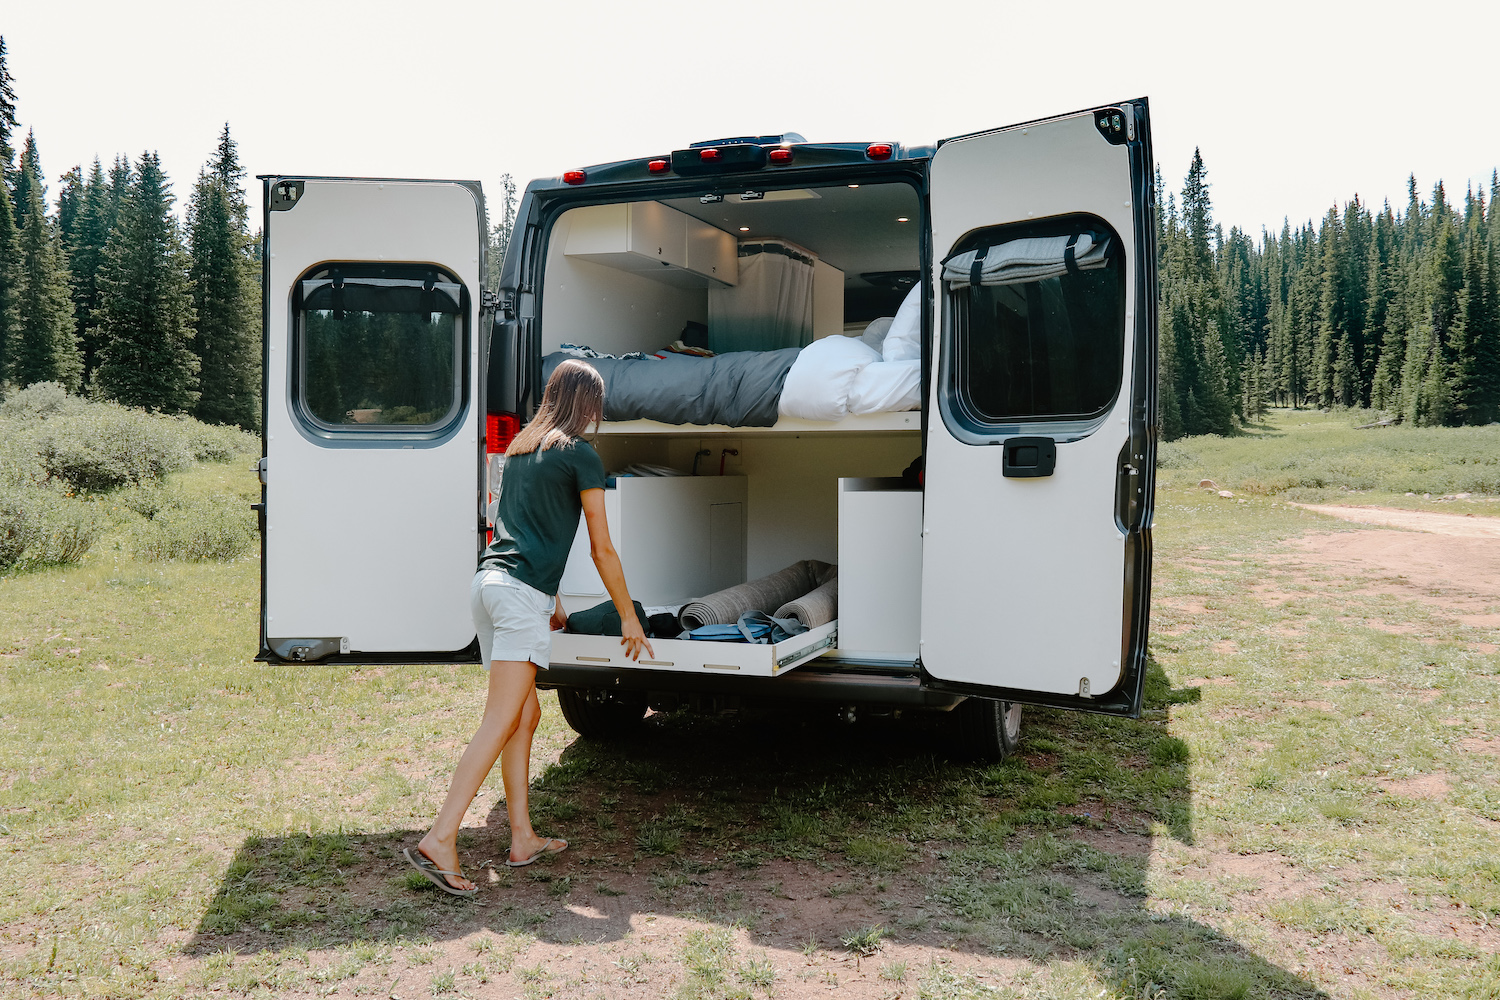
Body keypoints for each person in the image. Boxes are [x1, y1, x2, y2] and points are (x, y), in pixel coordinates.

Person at [404, 359, 653, 897]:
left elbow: (523, 529)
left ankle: (522, 837)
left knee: (525, 714)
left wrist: (554, 600)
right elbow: (601, 547)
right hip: (518, 598)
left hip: (490, 586)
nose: (598, 414)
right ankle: (440, 838)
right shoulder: (581, 456)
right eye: (598, 404)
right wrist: (627, 614)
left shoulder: (520, 449)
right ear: (587, 403)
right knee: (500, 720)